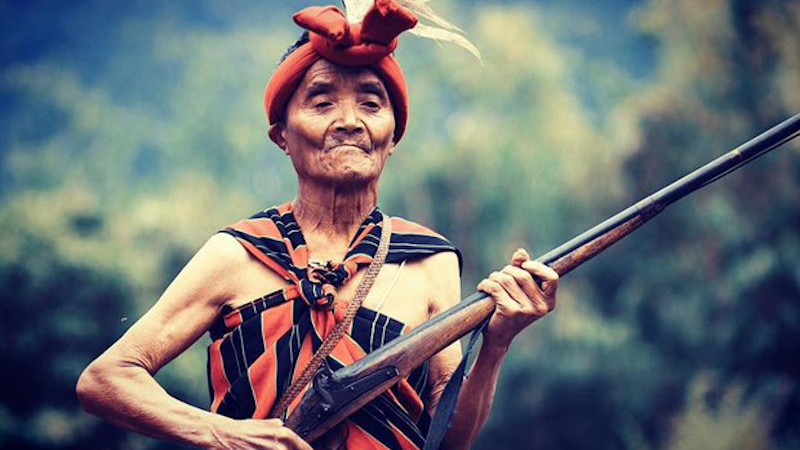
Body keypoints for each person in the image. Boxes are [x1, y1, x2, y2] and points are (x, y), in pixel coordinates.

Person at [76, 1, 559, 449]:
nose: (349, 121)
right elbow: (106, 379)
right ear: (282, 135)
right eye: (322, 102)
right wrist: (225, 435)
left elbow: (448, 440)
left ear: (393, 137)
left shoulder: (428, 259)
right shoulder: (238, 253)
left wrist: (496, 343)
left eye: (371, 103)